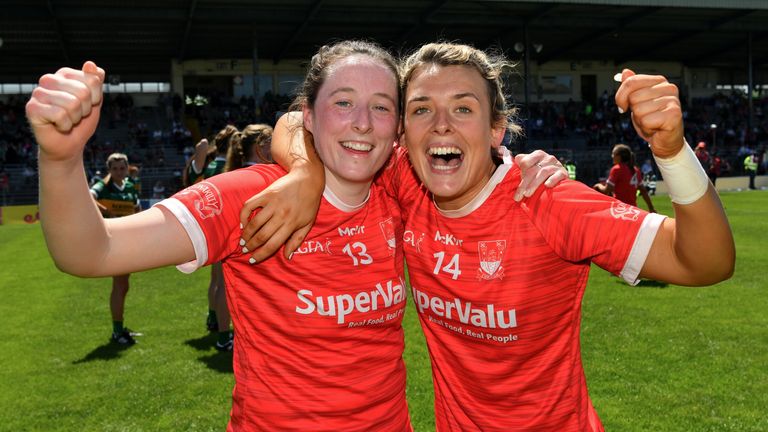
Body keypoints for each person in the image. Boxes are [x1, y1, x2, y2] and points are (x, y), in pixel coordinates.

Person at [28, 42, 563, 431]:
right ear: (310, 113)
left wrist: (533, 166)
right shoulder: (249, 196)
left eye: (382, 107)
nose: (362, 123)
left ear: (397, 127)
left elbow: (471, 165)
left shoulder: (399, 188)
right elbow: (91, 250)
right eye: (343, 102)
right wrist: (60, 157)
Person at [245, 42, 735, 431]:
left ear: (498, 128)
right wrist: (307, 172)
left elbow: (705, 262)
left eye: (462, 109)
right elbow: (293, 121)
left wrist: (671, 151)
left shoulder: (546, 202)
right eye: (420, 110)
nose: (440, 125)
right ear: (401, 132)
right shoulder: (402, 179)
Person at [185, 125, 239, 350]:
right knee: (225, 285)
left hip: (212, 227)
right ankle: (223, 335)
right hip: (227, 226)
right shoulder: (228, 167)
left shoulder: (210, 165)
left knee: (216, 280)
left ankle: (213, 318)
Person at [89, 153, 142, 344]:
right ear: (109, 170)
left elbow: (137, 210)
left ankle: (119, 328)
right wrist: (106, 212)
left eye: (122, 168)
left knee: (123, 285)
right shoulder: (103, 185)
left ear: (127, 168)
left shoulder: (129, 186)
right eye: (115, 168)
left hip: (127, 241)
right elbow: (88, 197)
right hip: (114, 242)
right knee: (120, 286)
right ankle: (117, 332)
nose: (119, 172)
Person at [593, 143, 656, 212]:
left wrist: (598, 185)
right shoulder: (636, 170)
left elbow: (606, 190)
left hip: (619, 210)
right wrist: (651, 208)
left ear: (619, 156)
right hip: (633, 210)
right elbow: (643, 191)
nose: (612, 156)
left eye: (613, 154)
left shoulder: (617, 169)